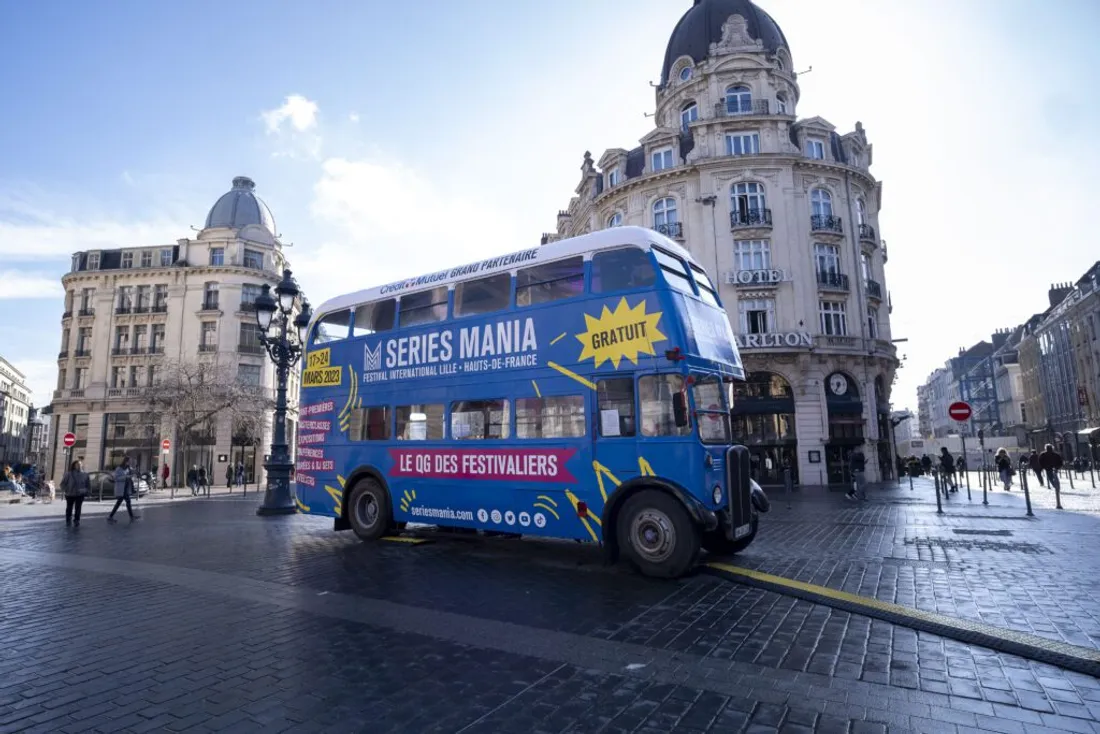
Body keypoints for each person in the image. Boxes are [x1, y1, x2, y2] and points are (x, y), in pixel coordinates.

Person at [107, 456, 140, 523]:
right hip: (121, 488)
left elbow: (133, 472)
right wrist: (126, 477)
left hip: (126, 488)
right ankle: (131, 516)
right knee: (127, 502)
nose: (130, 463)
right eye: (129, 462)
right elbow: (116, 478)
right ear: (125, 461)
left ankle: (111, 516)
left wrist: (136, 471)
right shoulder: (119, 469)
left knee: (120, 502)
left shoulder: (128, 468)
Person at [60, 459, 90, 527]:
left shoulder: (85, 474)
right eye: (77, 465)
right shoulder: (68, 474)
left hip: (80, 494)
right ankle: (68, 518)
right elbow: (62, 484)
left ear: (82, 465)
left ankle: (77, 520)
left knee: (78, 507)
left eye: (80, 464)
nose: (79, 466)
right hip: (70, 494)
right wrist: (66, 490)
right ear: (74, 466)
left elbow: (88, 485)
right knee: (69, 507)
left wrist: (86, 491)